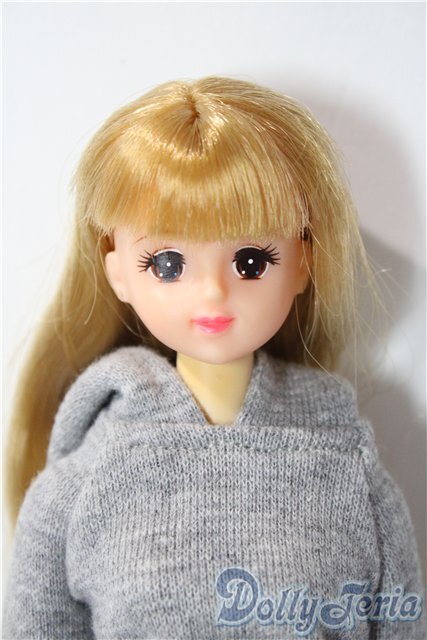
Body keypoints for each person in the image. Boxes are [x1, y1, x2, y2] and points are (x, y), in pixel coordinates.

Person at [3, 76, 424, 639]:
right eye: (168, 264)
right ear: (117, 271)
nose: (213, 294)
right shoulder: (78, 488)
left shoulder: (350, 469)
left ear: (303, 262)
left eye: (251, 261)